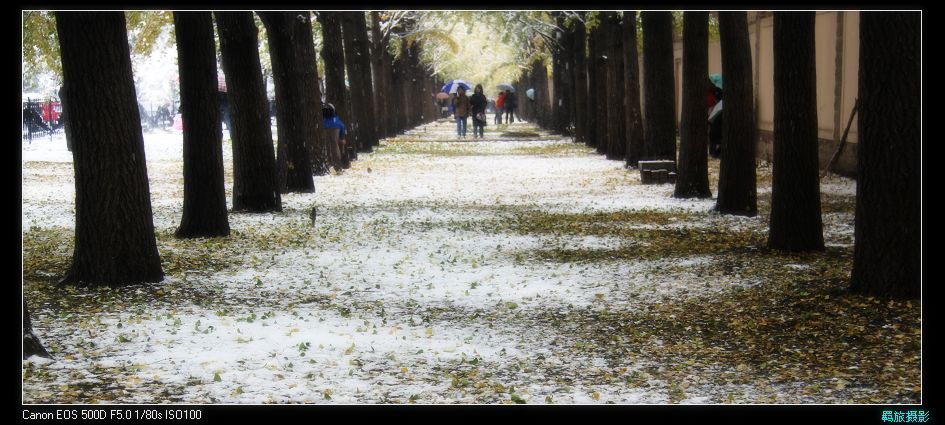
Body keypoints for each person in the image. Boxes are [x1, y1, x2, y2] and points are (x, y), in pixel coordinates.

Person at [322, 102, 349, 171]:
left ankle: (327, 165)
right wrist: (342, 138)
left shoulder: (323, 118)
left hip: (324, 127)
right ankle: (338, 166)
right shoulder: (336, 119)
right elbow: (342, 126)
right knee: (334, 147)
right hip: (335, 127)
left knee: (326, 147)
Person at [707, 77, 723, 158]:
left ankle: (716, 153)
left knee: (717, 134)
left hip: (718, 114)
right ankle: (712, 152)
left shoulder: (718, 91)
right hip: (711, 115)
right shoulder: (707, 92)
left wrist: (716, 102)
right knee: (712, 135)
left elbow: (721, 101)